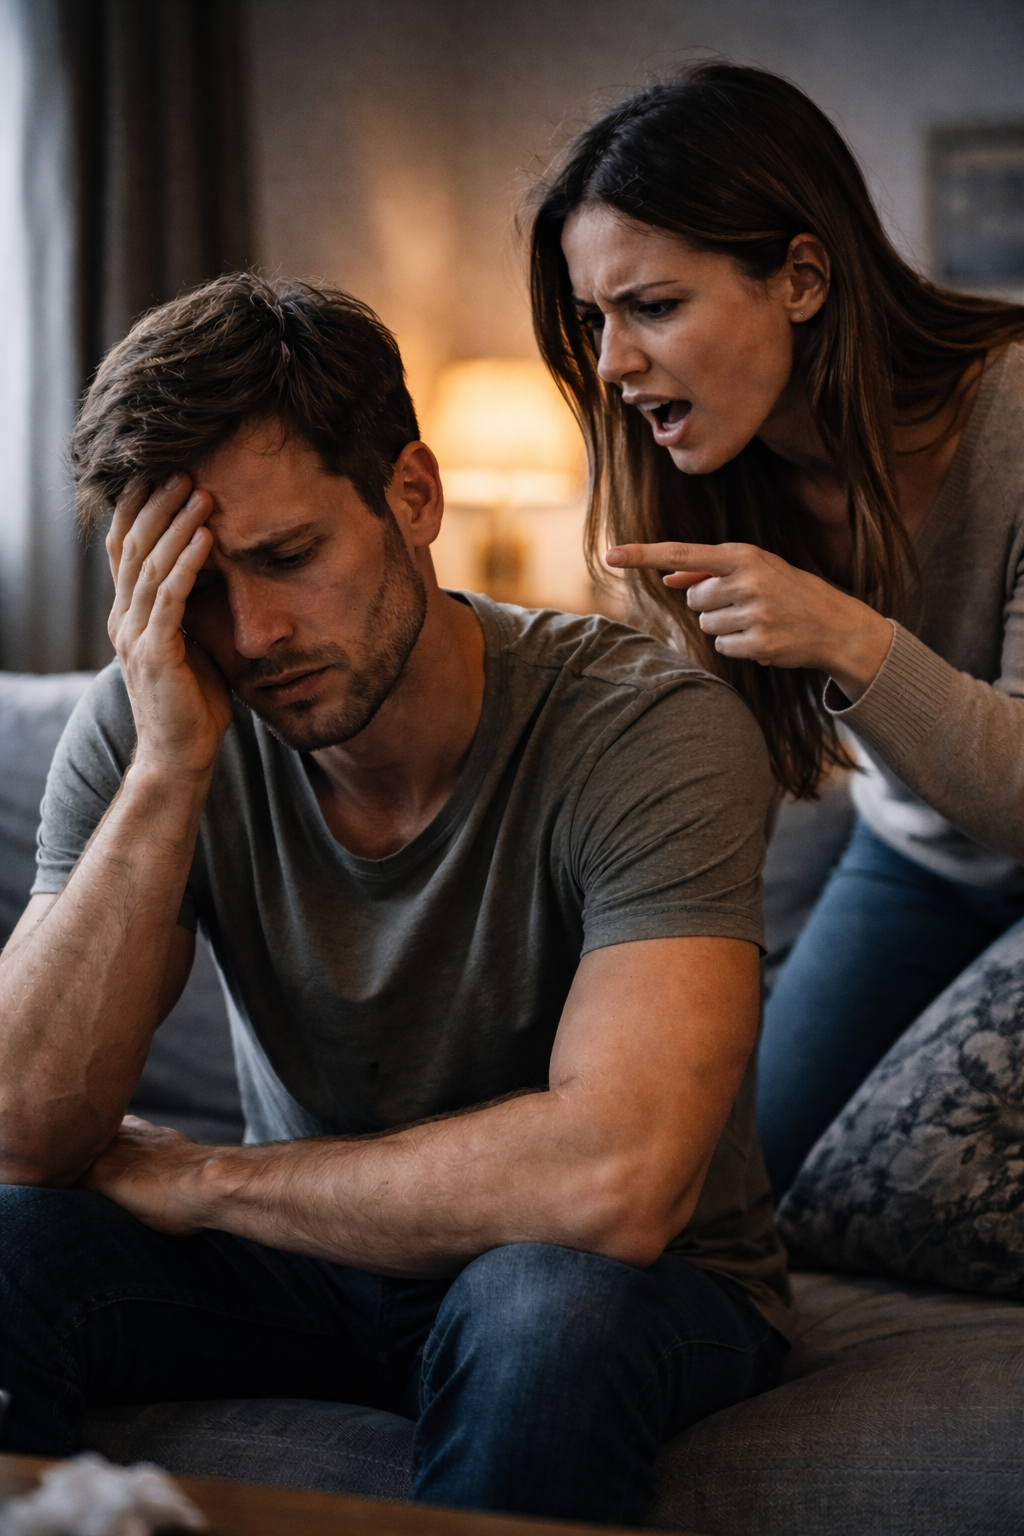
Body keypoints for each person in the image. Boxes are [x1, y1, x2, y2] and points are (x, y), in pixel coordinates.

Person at [0, 273, 788, 1526]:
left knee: (540, 1301)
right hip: (315, 1273)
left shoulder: (645, 728)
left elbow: (615, 1182)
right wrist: (164, 775)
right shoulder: (161, 719)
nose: (250, 635)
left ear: (413, 498)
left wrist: (212, 1182)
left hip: (619, 1281)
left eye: (287, 557)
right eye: (198, 588)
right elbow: (23, 1135)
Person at [528, 62, 1024, 1197]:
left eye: (652, 306)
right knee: (741, 1184)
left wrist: (851, 640)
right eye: (593, 318)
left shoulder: (1013, 416)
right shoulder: (700, 483)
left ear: (800, 277)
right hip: (916, 863)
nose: (610, 365)